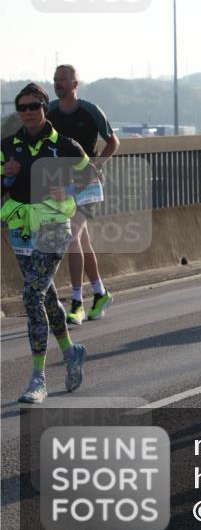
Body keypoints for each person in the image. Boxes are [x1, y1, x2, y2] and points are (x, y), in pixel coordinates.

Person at [2, 83, 92, 404]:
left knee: (31, 295)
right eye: (21, 108)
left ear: (44, 107)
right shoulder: (7, 145)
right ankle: (71, 352)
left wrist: (67, 190)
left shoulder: (65, 145)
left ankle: (38, 378)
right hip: (21, 230)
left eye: (33, 107)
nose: (27, 113)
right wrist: (8, 177)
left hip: (54, 227)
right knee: (46, 297)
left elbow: (93, 177)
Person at [47, 65, 118, 324]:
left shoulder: (90, 111)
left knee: (71, 237)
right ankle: (100, 293)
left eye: (63, 79)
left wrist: (96, 166)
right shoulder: (49, 112)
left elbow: (113, 142)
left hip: (87, 183)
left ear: (75, 84)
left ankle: (76, 302)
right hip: (61, 185)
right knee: (83, 242)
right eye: (55, 80)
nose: (58, 83)